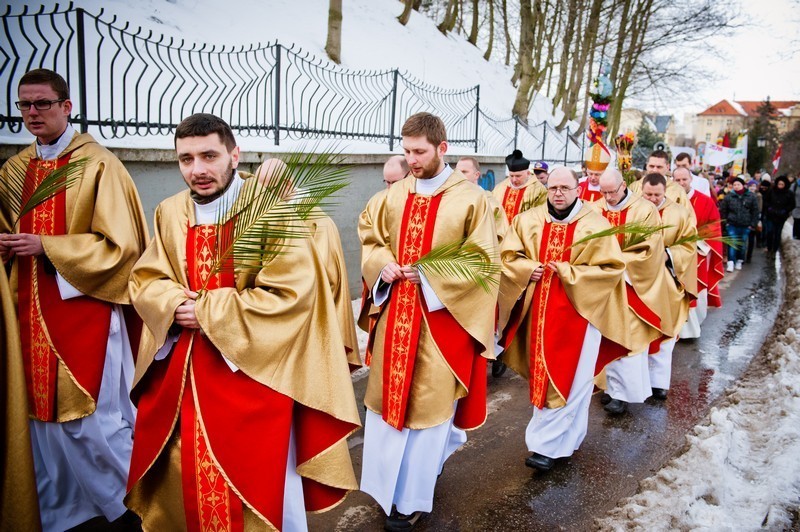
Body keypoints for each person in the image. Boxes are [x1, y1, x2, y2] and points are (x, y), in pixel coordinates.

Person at [125, 113, 360, 530]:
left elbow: (291, 295)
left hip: (256, 373)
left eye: (209, 156)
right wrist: (170, 303)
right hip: (185, 374)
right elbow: (147, 278)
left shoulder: (269, 210)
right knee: (185, 480)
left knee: (259, 487)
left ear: (235, 155)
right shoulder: (169, 211)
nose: (197, 170)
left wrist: (206, 310)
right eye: (186, 159)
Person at [0, 69, 149, 531]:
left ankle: (132, 507)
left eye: (42, 104)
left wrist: (49, 246)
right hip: (26, 308)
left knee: (92, 422)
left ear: (67, 107)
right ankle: (64, 509)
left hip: (83, 308)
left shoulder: (98, 164)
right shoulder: (14, 169)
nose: (32, 114)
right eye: (24, 105)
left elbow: (121, 246)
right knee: (38, 421)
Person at [359, 112, 498, 530]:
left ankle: (413, 500)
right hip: (396, 318)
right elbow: (371, 236)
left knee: (429, 411)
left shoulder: (471, 199)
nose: (412, 160)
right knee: (388, 407)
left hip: (441, 322)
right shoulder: (393, 195)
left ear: (442, 148)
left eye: (419, 151)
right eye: (406, 151)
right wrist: (382, 265)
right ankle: (386, 492)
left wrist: (434, 276)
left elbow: (483, 261)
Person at [497, 166, 628, 471]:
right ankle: (566, 441)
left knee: (574, 381)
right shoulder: (527, 221)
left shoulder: (595, 225)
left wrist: (568, 272)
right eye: (552, 187)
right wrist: (528, 268)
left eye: (564, 188)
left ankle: (546, 447)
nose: (557, 193)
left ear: (577, 190)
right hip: (537, 315)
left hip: (580, 316)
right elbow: (508, 257)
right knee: (547, 378)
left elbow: (611, 268)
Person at [255, 158, 361, 370]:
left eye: (267, 191)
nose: (261, 199)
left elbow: (324, 282)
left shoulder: (317, 223)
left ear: (286, 185)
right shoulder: (277, 216)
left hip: (308, 324)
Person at [594, 169, 670, 415]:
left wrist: (614, 263)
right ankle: (607, 386)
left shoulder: (643, 210)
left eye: (612, 192)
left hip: (630, 285)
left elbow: (650, 250)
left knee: (626, 337)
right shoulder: (595, 208)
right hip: (602, 286)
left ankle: (622, 395)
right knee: (602, 336)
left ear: (623, 185)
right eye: (603, 192)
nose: (608, 197)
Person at [640, 173, 697, 400]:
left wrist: (668, 254)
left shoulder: (679, 214)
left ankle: (658, 383)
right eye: (648, 194)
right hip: (637, 282)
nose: (652, 199)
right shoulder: (635, 211)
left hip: (667, 282)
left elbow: (689, 246)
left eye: (657, 195)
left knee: (664, 331)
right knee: (638, 334)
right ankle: (637, 383)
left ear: (665, 192)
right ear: (641, 191)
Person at [673, 167, 724, 337]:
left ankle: (692, 329)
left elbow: (713, 226)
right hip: (673, 255)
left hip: (697, 254)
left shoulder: (705, 201)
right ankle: (675, 329)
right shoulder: (669, 200)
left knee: (696, 292)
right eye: (677, 180)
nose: (681, 183)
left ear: (690, 179)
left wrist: (696, 241)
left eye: (684, 180)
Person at [492, 149, 546, 222]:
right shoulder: (500, 187)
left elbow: (541, 215)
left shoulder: (539, 190)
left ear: (528, 173)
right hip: (501, 232)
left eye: (518, 176)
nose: (514, 180)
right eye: (511, 176)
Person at [718, 177, 759, 271]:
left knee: (742, 244)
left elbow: (755, 211)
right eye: (734, 185)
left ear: (743, 185)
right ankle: (731, 262)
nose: (736, 187)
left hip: (745, 224)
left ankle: (740, 260)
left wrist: (752, 224)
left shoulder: (751, 196)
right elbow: (724, 211)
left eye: (738, 185)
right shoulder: (729, 196)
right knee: (732, 243)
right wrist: (725, 223)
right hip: (732, 224)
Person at [762, 175, 796, 254]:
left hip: (781, 216)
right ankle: (769, 246)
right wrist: (769, 208)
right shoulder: (771, 191)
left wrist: (785, 210)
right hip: (771, 215)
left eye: (782, 184)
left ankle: (775, 249)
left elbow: (792, 204)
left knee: (778, 232)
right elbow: (766, 201)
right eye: (779, 184)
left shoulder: (789, 193)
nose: (780, 186)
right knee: (770, 231)